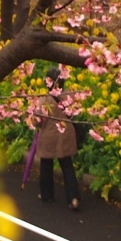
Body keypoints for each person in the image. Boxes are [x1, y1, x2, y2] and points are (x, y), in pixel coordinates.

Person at [35, 66, 80, 210]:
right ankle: (73, 198)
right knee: (67, 166)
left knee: (46, 165)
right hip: (65, 135)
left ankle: (46, 194)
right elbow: (75, 114)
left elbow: (38, 121)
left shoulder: (44, 100)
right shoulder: (70, 96)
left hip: (48, 137)